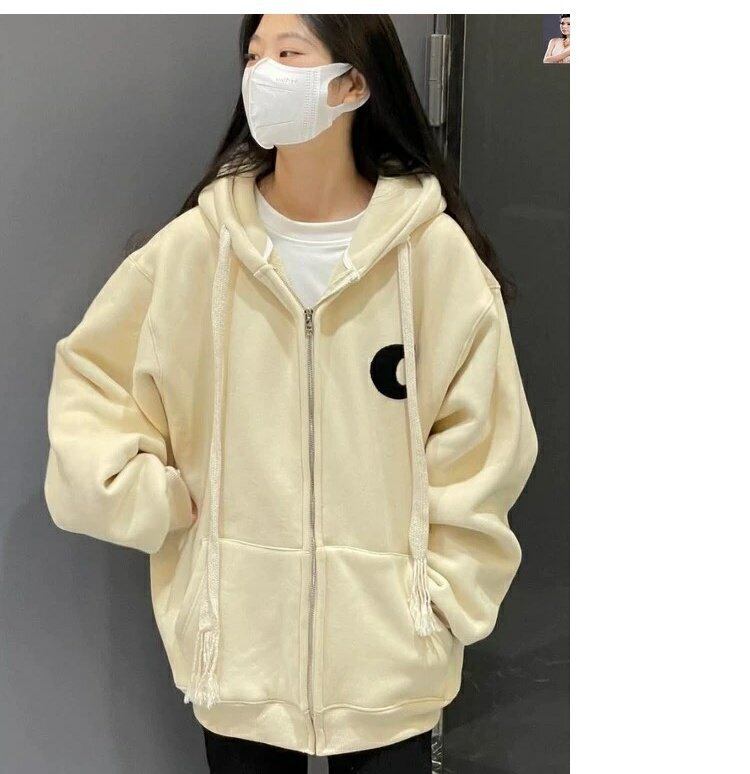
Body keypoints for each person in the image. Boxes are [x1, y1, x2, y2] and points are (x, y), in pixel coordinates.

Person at [43, 13, 538, 773]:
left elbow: (487, 448)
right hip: (238, 661)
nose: (262, 73)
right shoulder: (194, 252)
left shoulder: (435, 260)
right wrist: (155, 501)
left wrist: (439, 602)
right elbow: (92, 384)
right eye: (253, 55)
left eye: (288, 52)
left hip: (392, 671)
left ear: (352, 84)